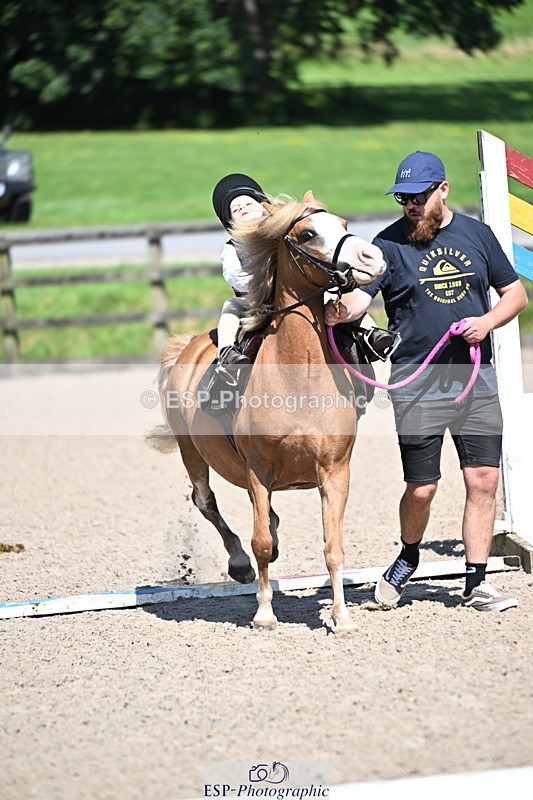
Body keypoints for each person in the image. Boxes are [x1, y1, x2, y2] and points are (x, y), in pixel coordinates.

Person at [325, 150, 528, 612]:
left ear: (443, 191)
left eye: (418, 197)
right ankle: (408, 556)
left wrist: (487, 321)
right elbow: (361, 299)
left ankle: (477, 582)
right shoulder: (387, 244)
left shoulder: (477, 235)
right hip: (416, 383)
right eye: (402, 198)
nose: (410, 206)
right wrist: (342, 309)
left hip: (477, 379)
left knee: (483, 480)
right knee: (422, 486)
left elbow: (515, 294)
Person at [211, 173, 268, 377]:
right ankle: (226, 352)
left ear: (263, 206)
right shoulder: (232, 248)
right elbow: (235, 278)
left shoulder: (281, 235)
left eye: (248, 203)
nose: (242, 208)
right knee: (231, 306)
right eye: (236, 209)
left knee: (332, 293)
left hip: (294, 294)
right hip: (256, 303)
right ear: (230, 222)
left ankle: (367, 334)